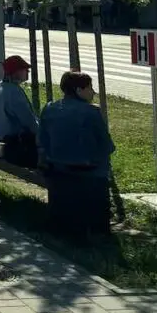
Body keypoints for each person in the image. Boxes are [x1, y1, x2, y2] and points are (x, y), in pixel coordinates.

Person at [38, 71, 116, 237]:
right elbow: (107, 146)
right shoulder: (91, 112)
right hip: (88, 170)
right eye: (89, 88)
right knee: (102, 168)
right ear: (79, 90)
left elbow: (42, 140)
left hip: (57, 168)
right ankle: (98, 229)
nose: (93, 92)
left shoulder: (50, 108)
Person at [0, 55, 39, 167]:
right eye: (24, 69)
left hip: (2, 142)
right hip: (17, 146)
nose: (28, 71)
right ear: (15, 72)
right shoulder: (14, 92)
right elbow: (30, 123)